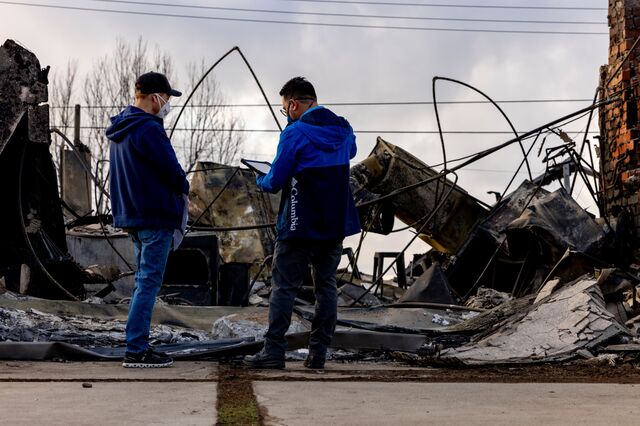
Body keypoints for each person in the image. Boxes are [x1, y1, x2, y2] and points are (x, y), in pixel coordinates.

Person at [244, 77, 361, 370]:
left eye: (285, 109)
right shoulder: (344, 129)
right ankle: (318, 353)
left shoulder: (294, 133)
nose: (286, 114)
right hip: (334, 224)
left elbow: (275, 181)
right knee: (326, 287)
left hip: (298, 224)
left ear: (294, 104)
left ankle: (273, 352)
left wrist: (260, 178)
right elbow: (352, 153)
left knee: (284, 288)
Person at [106, 72, 188, 368]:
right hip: (156, 217)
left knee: (142, 282)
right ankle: (137, 349)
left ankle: (136, 343)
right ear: (155, 98)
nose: (167, 105)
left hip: (133, 217)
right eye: (166, 99)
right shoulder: (150, 129)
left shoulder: (120, 130)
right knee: (148, 284)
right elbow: (172, 171)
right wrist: (184, 187)